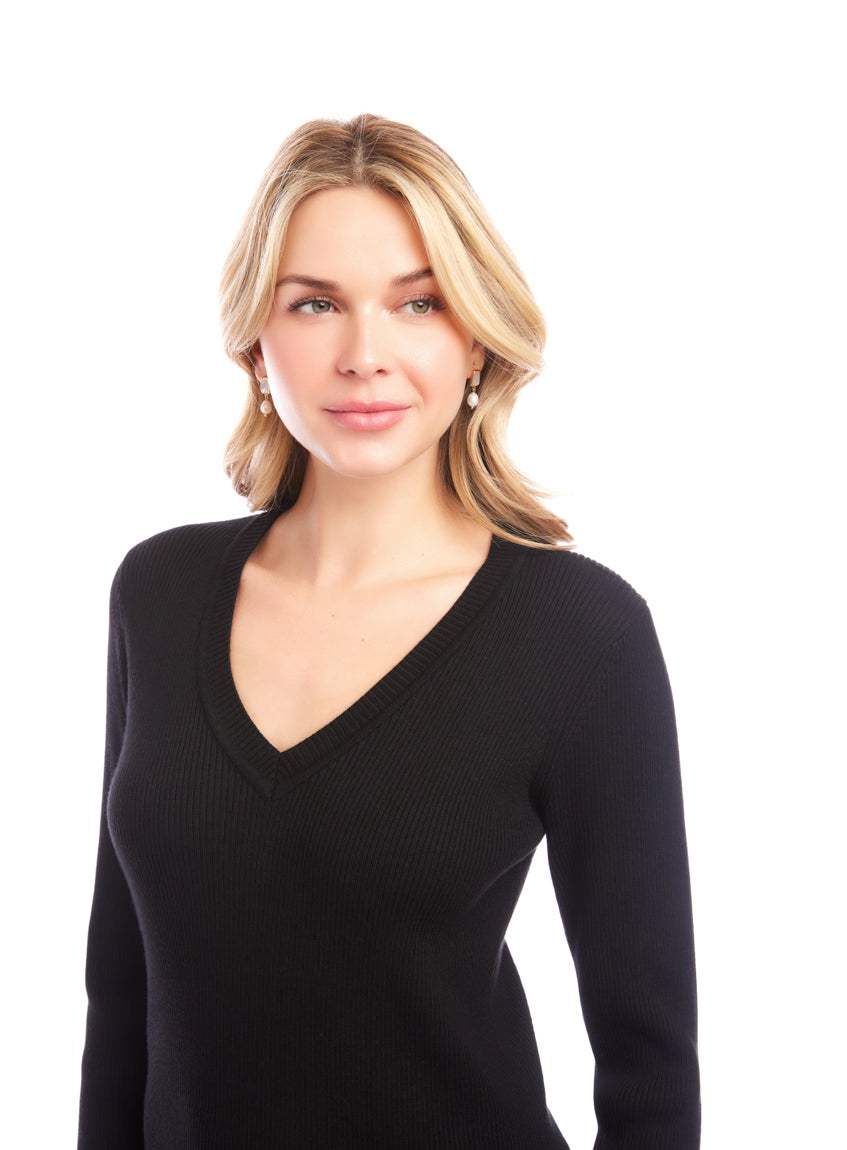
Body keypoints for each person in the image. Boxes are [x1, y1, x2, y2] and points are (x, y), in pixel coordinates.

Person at [76, 113, 701, 1149]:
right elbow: (122, 987)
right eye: (315, 303)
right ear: (256, 341)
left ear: (475, 337)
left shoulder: (580, 633)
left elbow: (649, 1064)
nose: (364, 355)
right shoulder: (160, 592)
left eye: (418, 302)